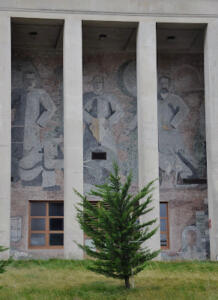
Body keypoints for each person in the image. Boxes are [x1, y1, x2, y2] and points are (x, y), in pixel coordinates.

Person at [158, 75, 198, 185]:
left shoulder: (175, 99)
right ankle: (165, 181)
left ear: (169, 85)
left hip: (172, 134)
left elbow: (185, 110)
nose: (163, 85)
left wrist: (173, 124)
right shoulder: (156, 100)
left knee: (179, 155)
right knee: (163, 157)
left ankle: (188, 176)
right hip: (160, 136)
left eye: (165, 83)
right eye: (161, 83)